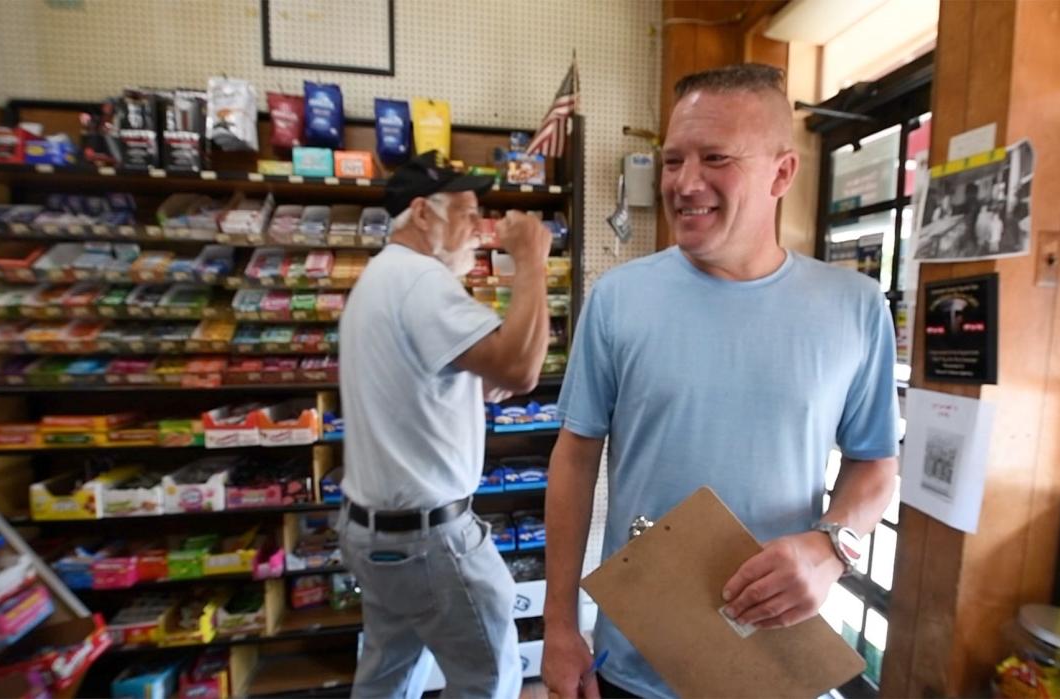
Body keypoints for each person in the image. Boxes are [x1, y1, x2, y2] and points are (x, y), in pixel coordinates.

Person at [541, 64, 901, 698]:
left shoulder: (855, 305)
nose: (685, 182)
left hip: (773, 656)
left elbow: (875, 465)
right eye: (674, 159)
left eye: (715, 158)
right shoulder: (619, 297)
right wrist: (558, 624)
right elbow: (574, 459)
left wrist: (830, 547)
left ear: (782, 173)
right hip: (633, 656)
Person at [337, 150, 553, 698]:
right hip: (429, 540)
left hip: (375, 532)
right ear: (423, 214)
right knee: (491, 677)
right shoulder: (420, 281)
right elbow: (521, 368)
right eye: (466, 212)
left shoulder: (379, 279)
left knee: (389, 673)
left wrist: (465, 393)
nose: (479, 232)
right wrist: (530, 261)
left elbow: (412, 387)